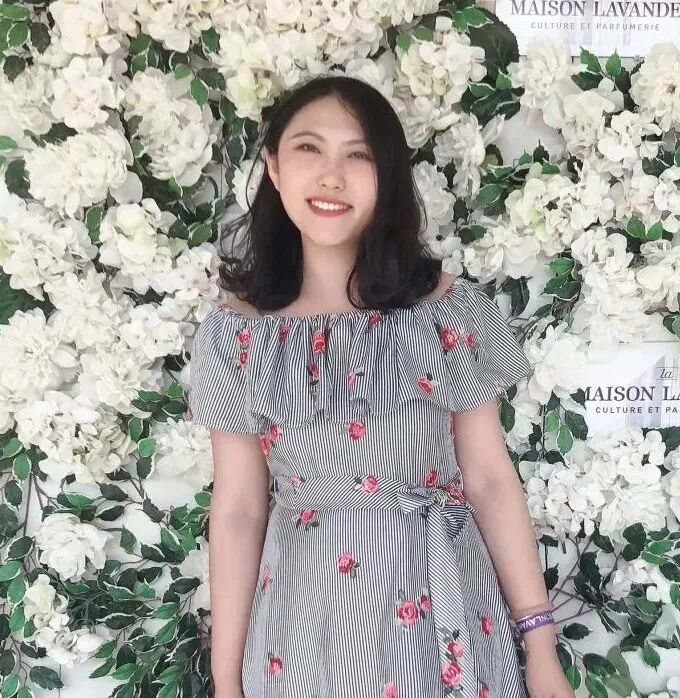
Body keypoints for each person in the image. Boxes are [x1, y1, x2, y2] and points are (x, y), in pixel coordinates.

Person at [189, 74, 574, 698]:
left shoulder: (447, 313)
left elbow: (489, 479)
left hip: (444, 616)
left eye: (359, 155)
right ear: (275, 168)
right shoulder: (237, 336)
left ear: (387, 176)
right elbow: (238, 510)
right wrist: (225, 682)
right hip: (303, 637)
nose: (332, 175)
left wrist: (541, 645)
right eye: (309, 148)